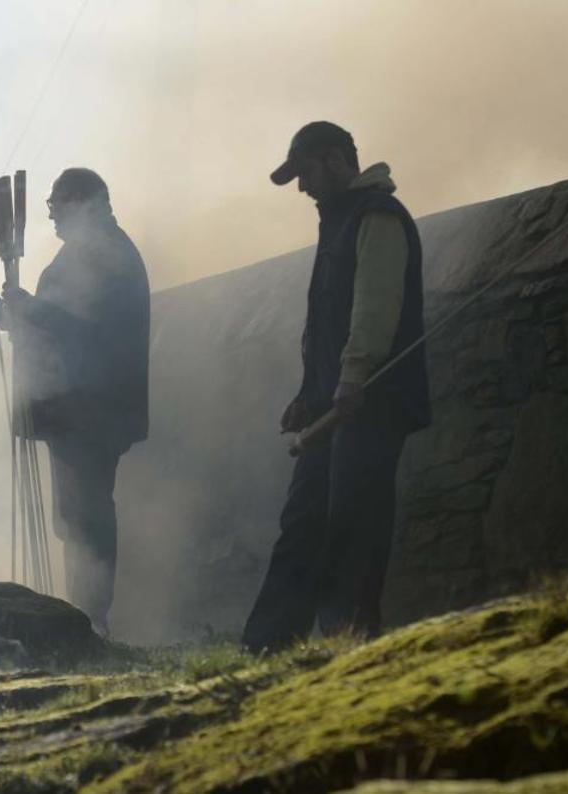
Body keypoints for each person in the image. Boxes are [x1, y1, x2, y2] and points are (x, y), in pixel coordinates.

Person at [242, 122, 430, 650]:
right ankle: (270, 645)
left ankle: (349, 645)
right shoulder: (340, 221)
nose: (301, 187)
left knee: (354, 528)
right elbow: (326, 321)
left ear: (336, 159)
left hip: (369, 403)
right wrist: (309, 394)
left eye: (305, 173)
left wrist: (351, 378)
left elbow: (374, 309)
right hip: (334, 404)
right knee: (303, 523)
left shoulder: (378, 217)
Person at [0, 168, 150, 636]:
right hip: (72, 406)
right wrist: (14, 320)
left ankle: (91, 619)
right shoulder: (86, 253)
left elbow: (92, 333)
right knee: (74, 518)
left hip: (93, 406)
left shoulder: (109, 255)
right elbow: (55, 333)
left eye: (57, 206)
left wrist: (29, 309)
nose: (51, 217)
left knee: (88, 516)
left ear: (85, 203)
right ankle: (80, 614)